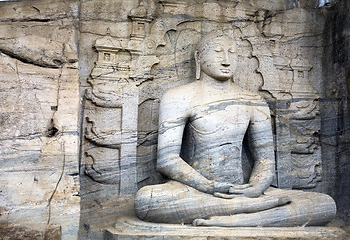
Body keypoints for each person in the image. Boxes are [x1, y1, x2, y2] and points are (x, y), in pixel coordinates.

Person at [134, 30, 336, 227]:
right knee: (147, 201)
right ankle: (255, 210)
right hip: (194, 190)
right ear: (199, 56)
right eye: (217, 51)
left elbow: (265, 160)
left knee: (325, 205)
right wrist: (208, 186)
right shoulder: (179, 96)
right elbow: (167, 160)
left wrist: (256, 188)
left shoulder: (252, 100)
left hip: (244, 191)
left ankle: (236, 216)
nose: (226, 60)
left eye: (232, 53)